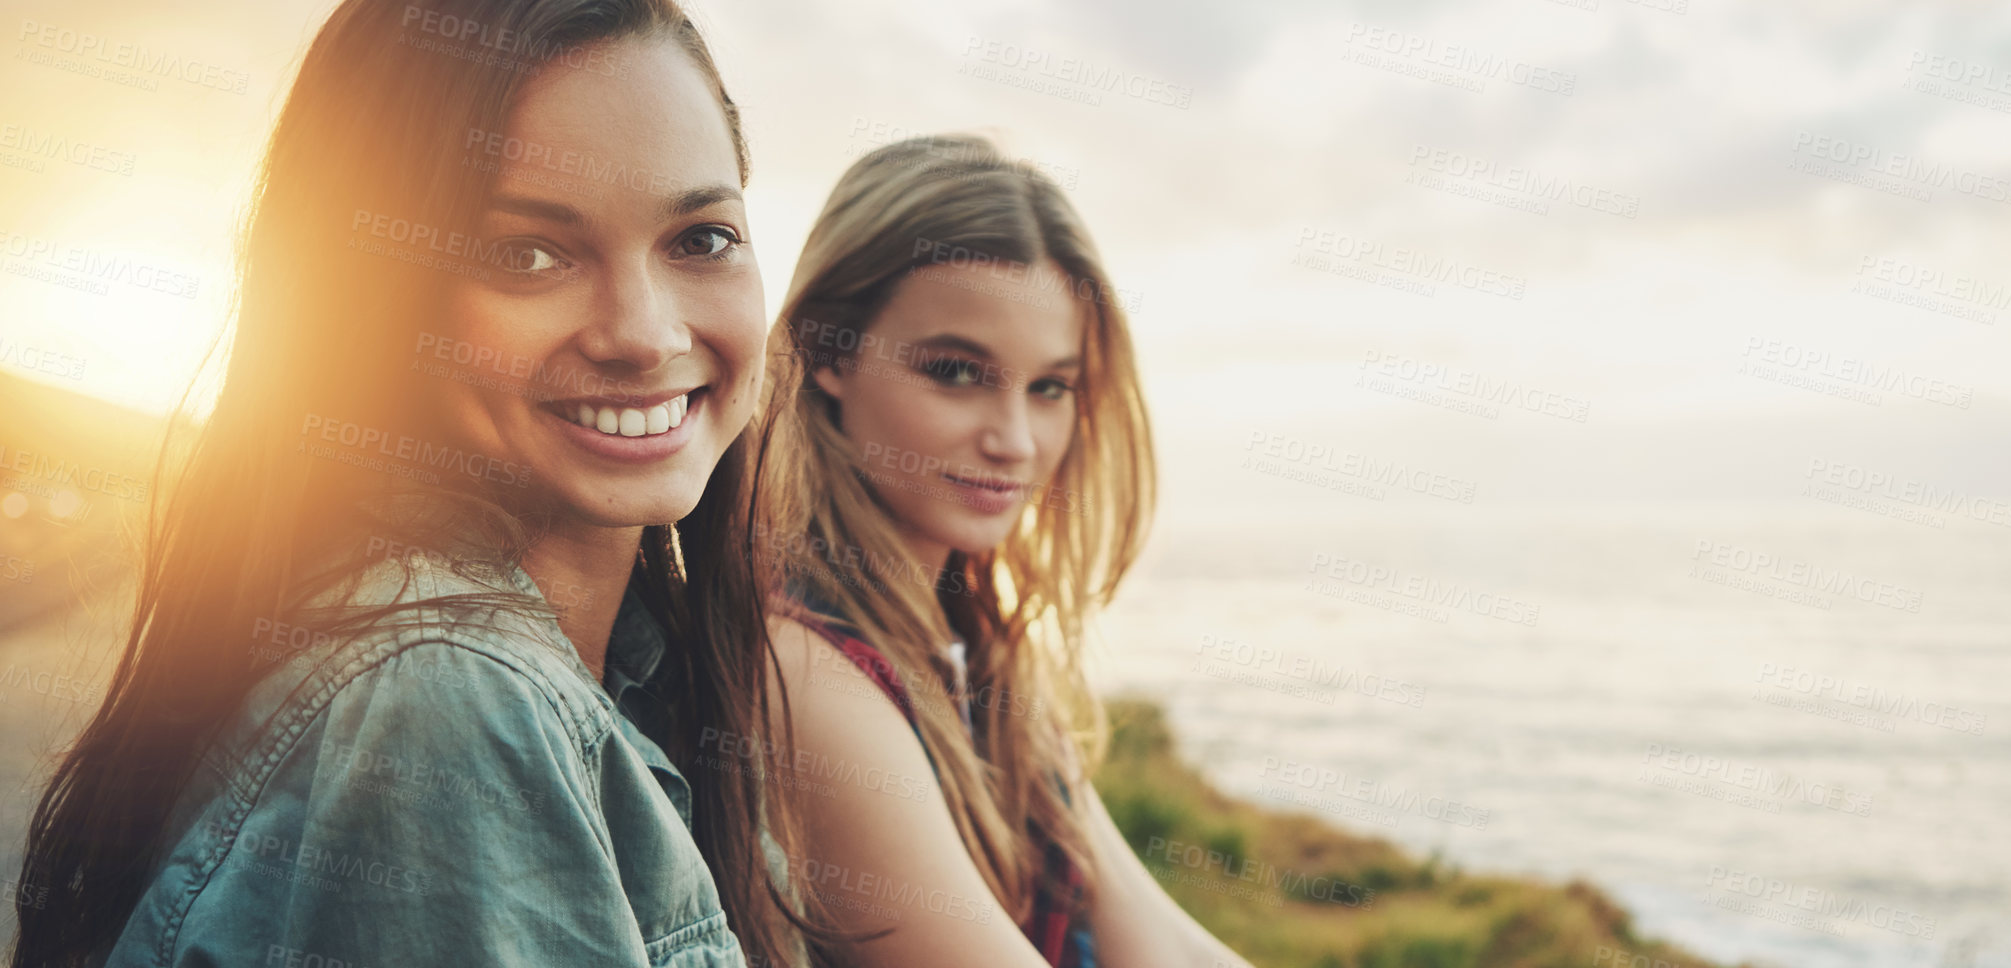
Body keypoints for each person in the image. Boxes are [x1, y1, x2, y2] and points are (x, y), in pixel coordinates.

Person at [10, 1, 821, 965]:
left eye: (700, 238)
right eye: (526, 254)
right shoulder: (445, 699)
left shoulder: (645, 660)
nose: (644, 333)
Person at [759, 134, 1256, 967]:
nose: (1016, 441)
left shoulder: (981, 651)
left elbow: (1160, 941)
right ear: (827, 354)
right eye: (956, 371)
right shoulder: (806, 671)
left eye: (1050, 387)